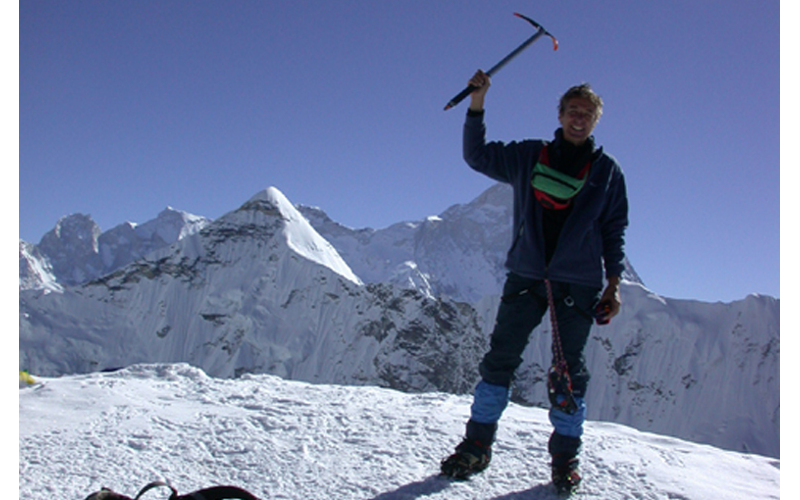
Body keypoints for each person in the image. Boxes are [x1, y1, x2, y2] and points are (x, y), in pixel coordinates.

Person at [440, 71, 629, 494]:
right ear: (560, 115)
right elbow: (479, 156)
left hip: (577, 284)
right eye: (573, 111)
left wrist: (613, 285)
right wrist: (477, 103)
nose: (579, 119)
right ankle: (476, 446)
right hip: (528, 275)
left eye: (587, 114)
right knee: (499, 361)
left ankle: (565, 460)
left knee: (568, 374)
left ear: (596, 121)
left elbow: (614, 229)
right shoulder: (530, 156)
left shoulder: (607, 172)